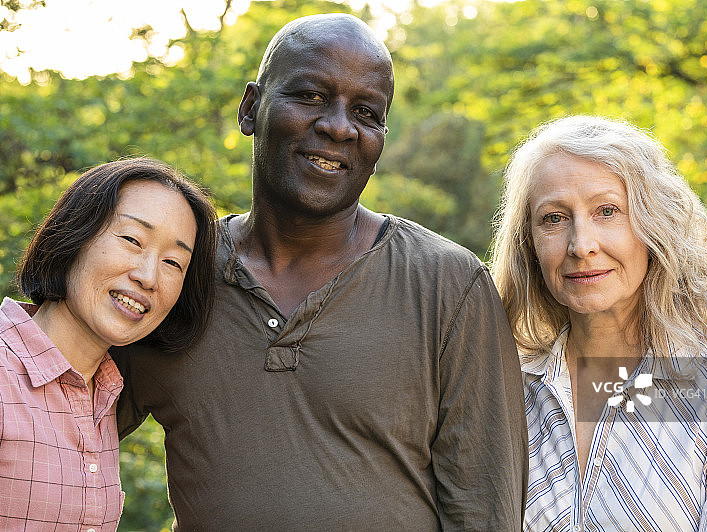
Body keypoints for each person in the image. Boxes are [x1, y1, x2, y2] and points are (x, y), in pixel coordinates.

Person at [111, 13, 527, 531]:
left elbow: (484, 512)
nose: (338, 126)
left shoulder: (447, 286)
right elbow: (60, 421)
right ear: (250, 109)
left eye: (366, 112)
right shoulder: (176, 273)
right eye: (309, 95)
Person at [491, 115, 707, 531]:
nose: (582, 245)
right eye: (554, 218)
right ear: (529, 244)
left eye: (607, 211)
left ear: (654, 227)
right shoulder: (503, 388)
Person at [0, 158, 217, 531]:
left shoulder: (104, 395)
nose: (148, 276)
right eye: (132, 240)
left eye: (173, 262)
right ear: (75, 235)